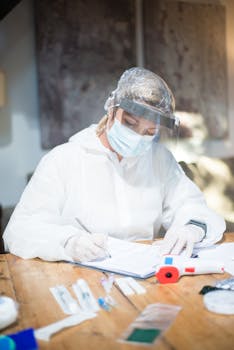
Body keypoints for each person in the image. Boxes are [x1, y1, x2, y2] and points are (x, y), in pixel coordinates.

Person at [3, 67, 225, 262]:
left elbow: (193, 207)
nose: (138, 137)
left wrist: (192, 228)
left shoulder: (159, 160)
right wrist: (68, 242)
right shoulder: (64, 159)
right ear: (111, 110)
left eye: (150, 132)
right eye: (129, 124)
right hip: (82, 276)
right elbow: (19, 231)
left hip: (146, 274)